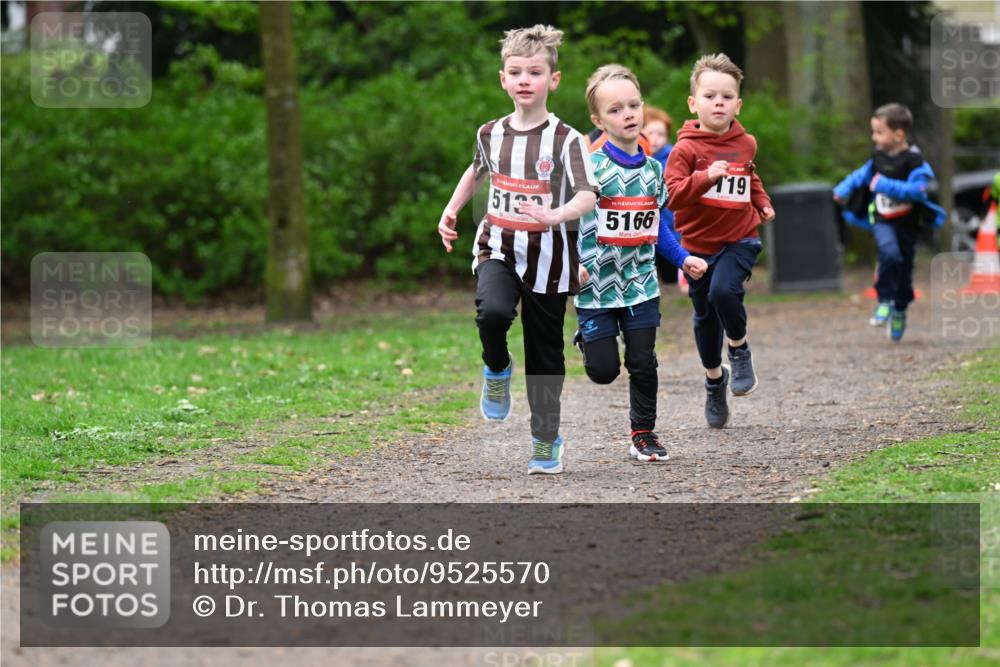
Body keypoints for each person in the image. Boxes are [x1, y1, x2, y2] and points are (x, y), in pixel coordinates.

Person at [437, 25, 599, 475]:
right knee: (491, 313)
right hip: (499, 246)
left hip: (550, 259)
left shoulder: (567, 139)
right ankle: (496, 367)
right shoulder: (490, 133)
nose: (525, 80)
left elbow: (588, 195)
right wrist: (451, 209)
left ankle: (546, 440)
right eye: (515, 72)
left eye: (535, 72)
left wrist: (555, 214)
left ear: (554, 79)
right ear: (503, 79)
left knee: (545, 354)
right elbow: (476, 171)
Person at [575, 64, 707, 461]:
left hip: (640, 282)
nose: (628, 115)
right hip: (595, 284)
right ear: (598, 121)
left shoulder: (653, 170)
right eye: (615, 110)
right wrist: (569, 264)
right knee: (603, 372)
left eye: (634, 105)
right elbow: (565, 224)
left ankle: (644, 433)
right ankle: (588, 340)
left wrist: (682, 258)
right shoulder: (590, 169)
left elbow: (657, 226)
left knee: (642, 361)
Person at [664, 53, 775, 429]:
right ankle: (715, 380)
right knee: (705, 316)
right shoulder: (685, 150)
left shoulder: (746, 143)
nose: (718, 103)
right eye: (710, 96)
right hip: (697, 246)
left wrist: (761, 201)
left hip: (740, 238)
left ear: (738, 105)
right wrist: (706, 177)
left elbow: (750, 176)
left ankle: (740, 350)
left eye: (727, 97)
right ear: (693, 103)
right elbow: (673, 196)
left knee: (723, 292)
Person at [833, 103, 946, 342]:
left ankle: (900, 309)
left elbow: (918, 192)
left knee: (904, 270)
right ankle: (884, 300)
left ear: (898, 134)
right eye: (873, 131)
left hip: (908, 225)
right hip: (882, 219)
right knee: (889, 253)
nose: (874, 137)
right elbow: (861, 175)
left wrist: (885, 185)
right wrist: (842, 189)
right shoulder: (877, 157)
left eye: (879, 132)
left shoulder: (915, 161)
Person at [643, 105, 689, 295]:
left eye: (661, 134)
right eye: (650, 133)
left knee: (672, 272)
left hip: (671, 225)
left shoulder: (673, 158)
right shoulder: (635, 157)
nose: (655, 139)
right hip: (644, 227)